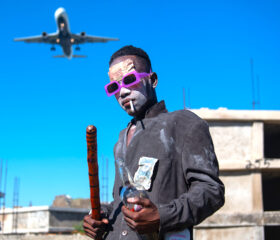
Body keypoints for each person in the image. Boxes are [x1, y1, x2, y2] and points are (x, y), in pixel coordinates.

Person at [83, 45, 225, 240]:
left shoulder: (183, 123)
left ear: (152, 79)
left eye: (130, 80)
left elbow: (211, 191)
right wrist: (100, 217)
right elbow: (122, 200)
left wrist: (162, 217)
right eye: (114, 87)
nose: (122, 92)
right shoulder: (121, 139)